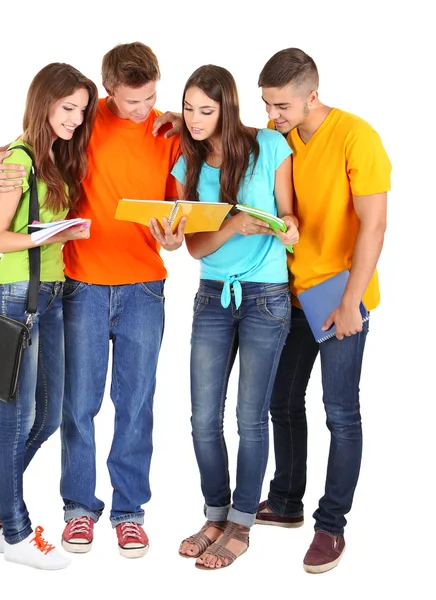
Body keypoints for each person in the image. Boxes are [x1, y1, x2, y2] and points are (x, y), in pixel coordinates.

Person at [0, 43, 184, 559]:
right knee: (78, 406)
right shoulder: (83, 117)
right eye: (133, 101)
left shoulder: (170, 131)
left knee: (136, 405)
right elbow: (31, 140)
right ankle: (78, 509)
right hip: (82, 286)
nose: (144, 111)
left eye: (151, 98)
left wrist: (175, 237)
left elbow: (191, 194)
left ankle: (129, 513)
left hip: (144, 286)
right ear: (106, 90)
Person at [254, 48, 391, 574]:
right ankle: (286, 502)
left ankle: (330, 525)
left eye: (283, 105)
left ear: (313, 94)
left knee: (340, 412)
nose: (273, 115)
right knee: (282, 403)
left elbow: (375, 226)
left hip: (341, 298)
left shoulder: (358, 136)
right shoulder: (280, 137)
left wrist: (352, 301)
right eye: (268, 104)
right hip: (291, 295)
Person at [0, 62, 98, 570]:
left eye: (81, 111)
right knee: (16, 420)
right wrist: (53, 236)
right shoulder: (18, 161)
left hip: (53, 295)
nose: (74, 119)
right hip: (15, 293)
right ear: (44, 103)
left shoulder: (55, 156)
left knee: (46, 417)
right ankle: (16, 533)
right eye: (67, 108)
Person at [172, 65, 299, 570]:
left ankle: (242, 521)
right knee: (203, 418)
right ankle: (214, 514)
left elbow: (289, 215)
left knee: (250, 418)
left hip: (267, 295)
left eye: (207, 110)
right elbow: (195, 246)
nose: (196, 119)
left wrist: (285, 228)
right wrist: (234, 224)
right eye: (188, 109)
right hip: (212, 297)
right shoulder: (189, 162)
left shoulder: (270, 146)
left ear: (227, 108)